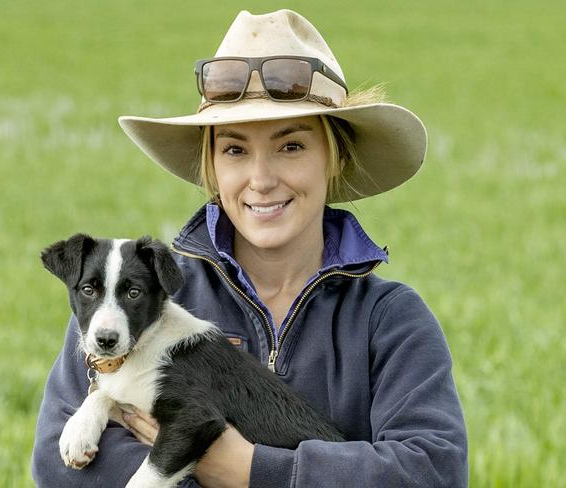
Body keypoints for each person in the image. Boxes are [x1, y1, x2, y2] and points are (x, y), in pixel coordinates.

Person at [32, 9, 468, 487]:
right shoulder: (144, 297)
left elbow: (433, 471)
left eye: (291, 146)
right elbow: (61, 467)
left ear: (335, 157)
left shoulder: (390, 322)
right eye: (235, 150)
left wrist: (249, 469)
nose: (261, 180)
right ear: (212, 166)